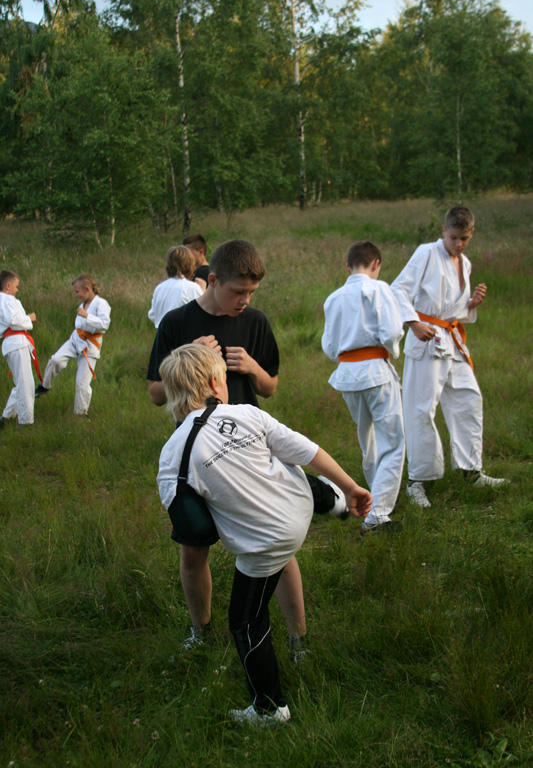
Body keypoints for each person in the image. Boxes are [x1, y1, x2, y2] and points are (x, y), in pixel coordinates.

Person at [157, 343, 373, 726]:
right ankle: (336, 502)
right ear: (215, 384)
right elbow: (307, 451)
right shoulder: (246, 413)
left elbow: (193, 527)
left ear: (173, 396)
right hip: (299, 508)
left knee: (244, 622)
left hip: (266, 544)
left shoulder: (174, 454)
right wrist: (352, 487)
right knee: (280, 464)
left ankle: (270, 708)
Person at [147, 240, 310, 658]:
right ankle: (200, 631)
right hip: (198, 457)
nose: (245, 300)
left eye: (251, 292)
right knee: (193, 549)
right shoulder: (177, 322)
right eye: (238, 291)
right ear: (213, 280)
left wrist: (253, 368)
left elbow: (270, 388)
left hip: (248, 451)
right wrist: (189, 356)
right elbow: (155, 394)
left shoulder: (255, 322)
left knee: (274, 544)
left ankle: (299, 640)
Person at [391, 206, 508, 507]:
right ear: (443, 231)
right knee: (421, 409)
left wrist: (471, 304)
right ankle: (417, 481)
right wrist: (413, 323)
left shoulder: (465, 263)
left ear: (472, 234)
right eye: (453, 237)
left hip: (451, 341)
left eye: (464, 239)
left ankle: (471, 471)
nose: (458, 244)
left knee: (469, 399)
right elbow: (398, 290)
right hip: (427, 339)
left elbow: (454, 310)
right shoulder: (426, 253)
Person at [322, 241, 405, 534]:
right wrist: (392, 350)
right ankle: (377, 514)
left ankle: (375, 498)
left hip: (348, 374)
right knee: (392, 442)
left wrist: (347, 359)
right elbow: (392, 331)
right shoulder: (378, 288)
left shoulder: (333, 298)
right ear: (376, 263)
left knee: (368, 439)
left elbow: (329, 345)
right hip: (375, 372)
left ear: (348, 267)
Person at [35, 274, 111, 416]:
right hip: (75, 339)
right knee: (56, 360)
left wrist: (87, 316)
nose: (76, 295)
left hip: (90, 346)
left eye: (77, 292)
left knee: (82, 384)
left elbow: (104, 324)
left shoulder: (101, 304)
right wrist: (83, 316)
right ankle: (45, 386)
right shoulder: (83, 305)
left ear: (87, 289)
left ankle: (80, 415)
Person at [0, 271, 39, 429]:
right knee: (26, 384)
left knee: (20, 383)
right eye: (16, 286)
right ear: (8, 285)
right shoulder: (6, 299)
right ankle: (25, 422)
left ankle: (5, 417)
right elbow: (14, 321)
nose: (17, 290)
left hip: (14, 343)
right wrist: (29, 318)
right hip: (16, 342)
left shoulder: (5, 300)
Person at [148, 245, 202, 328]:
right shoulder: (191, 288)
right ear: (190, 265)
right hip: (183, 334)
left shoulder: (159, 288)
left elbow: (152, 314)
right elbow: (203, 312)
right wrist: (203, 290)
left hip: (161, 332)